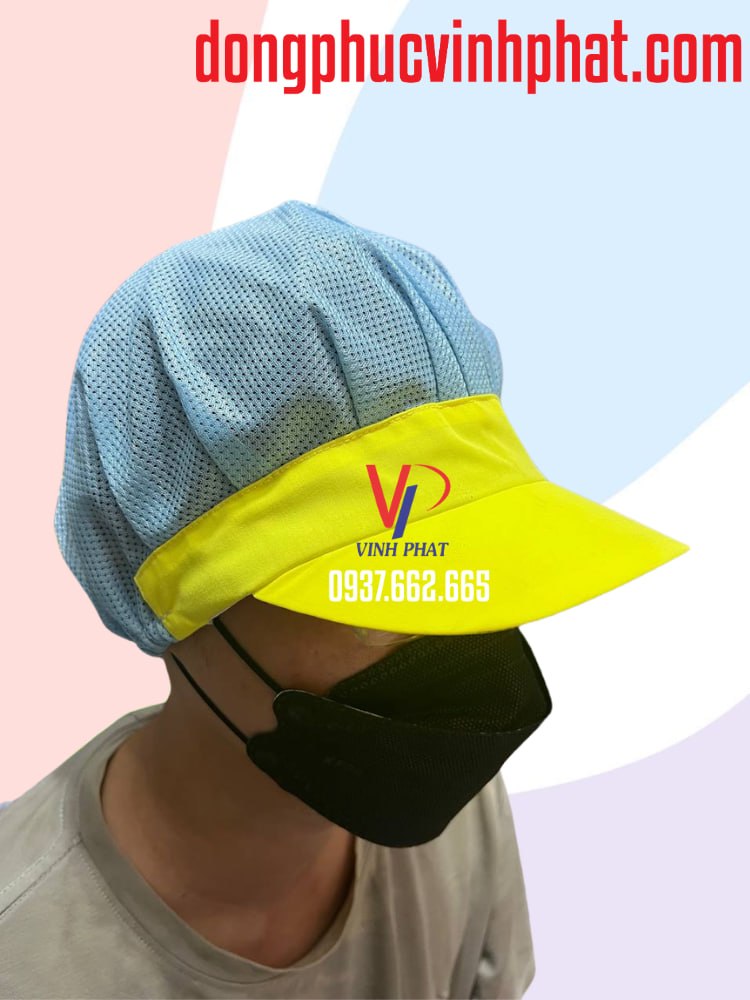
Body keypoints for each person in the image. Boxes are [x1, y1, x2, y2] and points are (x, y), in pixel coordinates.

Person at [0, 200, 689, 999]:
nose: (449, 628)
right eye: (369, 595)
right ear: (179, 610)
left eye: (473, 565)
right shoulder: (25, 948)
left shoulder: (458, 818)